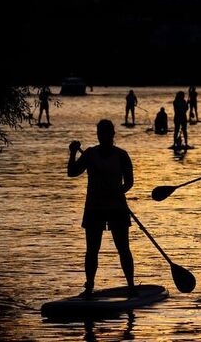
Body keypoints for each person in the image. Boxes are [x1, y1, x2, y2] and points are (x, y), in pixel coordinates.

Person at [68, 119, 135, 297]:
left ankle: (131, 286)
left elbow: (129, 182)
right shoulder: (90, 154)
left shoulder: (122, 155)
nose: (103, 137)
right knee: (92, 250)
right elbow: (72, 172)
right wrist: (73, 153)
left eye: (106, 134)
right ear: (98, 135)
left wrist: (118, 191)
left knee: (123, 248)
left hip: (117, 206)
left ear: (112, 135)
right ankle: (89, 286)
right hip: (94, 208)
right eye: (100, 134)